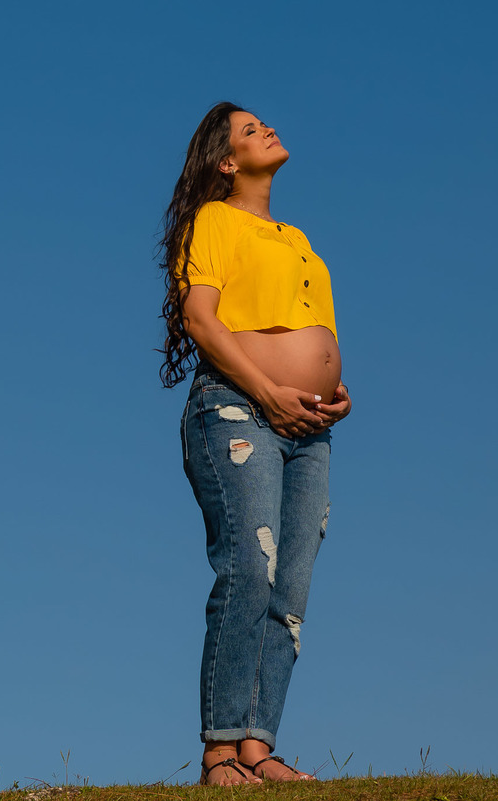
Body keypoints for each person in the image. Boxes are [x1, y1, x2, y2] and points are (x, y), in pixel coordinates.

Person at [158, 102, 352, 786]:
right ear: (227, 161)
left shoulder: (298, 239)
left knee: (289, 587)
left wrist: (336, 389)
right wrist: (269, 391)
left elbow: (310, 333)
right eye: (248, 129)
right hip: (238, 409)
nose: (267, 126)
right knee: (250, 567)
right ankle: (218, 752)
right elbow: (203, 320)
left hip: (311, 425)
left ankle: (256, 746)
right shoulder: (214, 221)